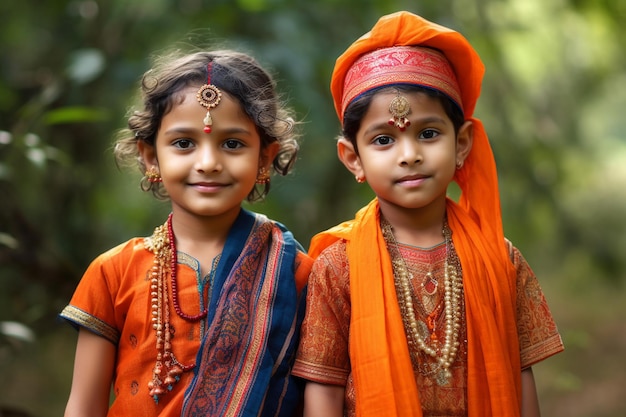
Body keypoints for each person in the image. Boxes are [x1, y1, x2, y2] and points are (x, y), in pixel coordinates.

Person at [292, 11, 564, 417]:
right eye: (384, 139)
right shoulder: (337, 266)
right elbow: (324, 387)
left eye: (429, 133)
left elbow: (519, 375)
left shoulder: (499, 258)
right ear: (353, 159)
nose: (410, 154)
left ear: (463, 143)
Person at [60, 48, 312, 417]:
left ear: (265, 158)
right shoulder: (113, 272)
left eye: (232, 143)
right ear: (150, 157)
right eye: (183, 143)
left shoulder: (294, 272)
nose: (208, 163)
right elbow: (83, 406)